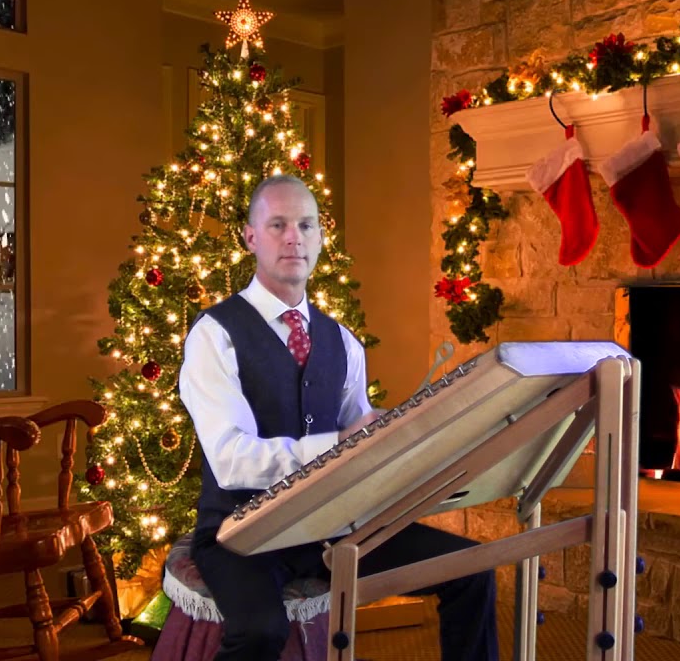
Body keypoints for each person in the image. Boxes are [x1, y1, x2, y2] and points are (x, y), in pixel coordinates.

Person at [179, 174, 498, 660]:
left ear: (320, 239)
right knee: (261, 631)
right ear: (250, 237)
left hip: (330, 523)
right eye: (279, 224)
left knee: (472, 570)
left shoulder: (342, 340)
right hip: (240, 531)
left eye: (306, 225)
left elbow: (360, 427)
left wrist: (395, 433)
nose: (294, 238)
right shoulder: (213, 335)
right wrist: (343, 441)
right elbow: (230, 460)